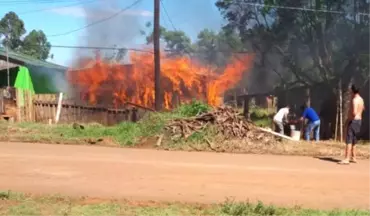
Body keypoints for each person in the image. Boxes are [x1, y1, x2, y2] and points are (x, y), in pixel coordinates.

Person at [339, 85, 365, 165]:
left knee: (349, 139)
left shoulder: (354, 100)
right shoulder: (361, 99)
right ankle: (354, 157)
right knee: (354, 139)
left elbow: (354, 112)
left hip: (353, 121)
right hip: (359, 121)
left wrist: (349, 119)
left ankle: (347, 158)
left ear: (352, 91)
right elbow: (363, 108)